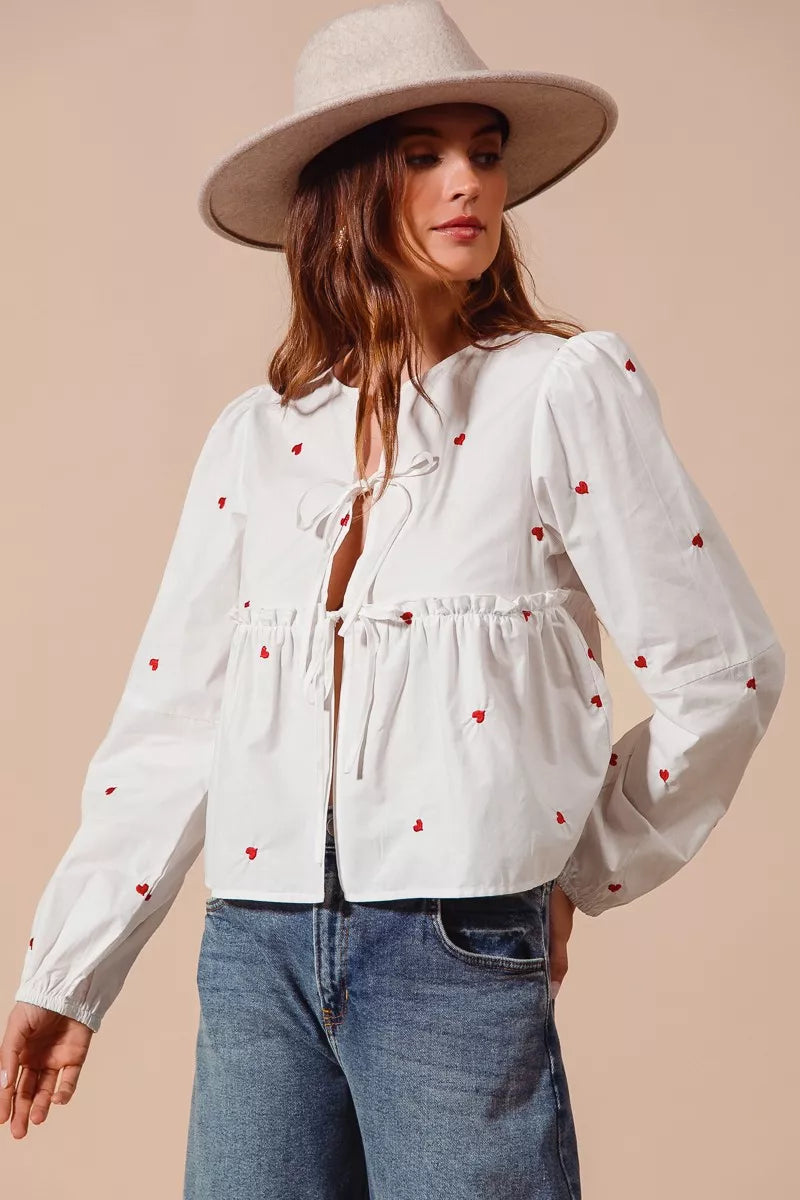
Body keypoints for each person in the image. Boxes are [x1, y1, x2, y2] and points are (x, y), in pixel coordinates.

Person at [0, 1, 785, 1195]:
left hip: (451, 947)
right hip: (252, 947)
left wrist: (576, 866)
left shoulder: (558, 388)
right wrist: (70, 971)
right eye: (420, 154)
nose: (466, 179)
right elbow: (174, 722)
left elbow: (722, 665)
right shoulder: (255, 439)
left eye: (481, 148)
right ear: (343, 189)